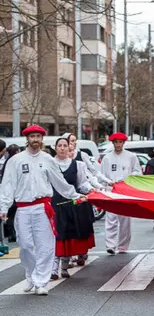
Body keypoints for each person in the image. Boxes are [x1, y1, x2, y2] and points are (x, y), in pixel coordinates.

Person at [0, 125, 85, 295]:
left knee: (45, 246)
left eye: (38, 136)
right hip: (23, 209)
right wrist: (4, 207)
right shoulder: (16, 160)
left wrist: (74, 195)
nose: (36, 140)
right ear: (28, 139)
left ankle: (40, 282)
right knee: (24, 246)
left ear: (42, 139)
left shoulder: (48, 159)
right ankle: (31, 276)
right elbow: (7, 184)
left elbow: (59, 181)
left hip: (42, 208)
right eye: (33, 136)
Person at [50, 138, 99, 279]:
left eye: (65, 145)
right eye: (59, 145)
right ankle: (54, 269)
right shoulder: (49, 164)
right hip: (55, 204)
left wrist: (92, 190)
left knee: (68, 234)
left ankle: (64, 267)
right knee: (57, 235)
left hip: (71, 204)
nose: (62, 148)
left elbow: (82, 183)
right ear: (55, 148)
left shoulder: (77, 165)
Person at [101, 132, 142, 255]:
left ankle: (123, 246)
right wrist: (103, 188)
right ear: (112, 143)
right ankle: (111, 245)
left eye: (120, 142)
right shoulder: (107, 158)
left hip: (125, 191)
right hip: (111, 190)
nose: (118, 145)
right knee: (111, 219)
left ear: (123, 143)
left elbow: (137, 172)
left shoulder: (131, 157)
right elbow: (101, 175)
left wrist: (128, 179)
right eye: (116, 142)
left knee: (125, 220)